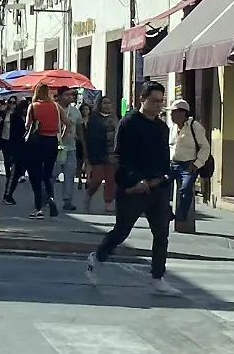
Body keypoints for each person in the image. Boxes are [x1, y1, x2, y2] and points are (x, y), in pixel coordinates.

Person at [86, 81, 178, 296]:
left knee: (161, 233)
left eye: (161, 102)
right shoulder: (128, 124)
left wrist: (165, 180)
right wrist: (134, 181)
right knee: (122, 230)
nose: (158, 106)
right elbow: (120, 158)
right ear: (142, 100)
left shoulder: (162, 127)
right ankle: (98, 256)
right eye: (154, 101)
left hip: (157, 187)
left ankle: (157, 277)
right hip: (132, 187)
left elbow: (165, 158)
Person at [168, 99, 211, 232]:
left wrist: (197, 164)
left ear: (183, 113)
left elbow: (205, 147)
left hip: (189, 165)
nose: (171, 116)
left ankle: (181, 218)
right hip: (173, 163)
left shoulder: (195, 126)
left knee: (185, 190)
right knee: (160, 187)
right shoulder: (173, 127)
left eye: (174, 113)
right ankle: (167, 213)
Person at [26, 83, 64, 219]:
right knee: (47, 175)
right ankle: (51, 199)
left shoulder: (33, 106)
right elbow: (68, 123)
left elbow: (28, 125)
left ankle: (39, 207)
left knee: (36, 175)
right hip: (52, 141)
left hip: (37, 142)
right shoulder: (56, 106)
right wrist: (60, 135)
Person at [84, 96, 119, 214]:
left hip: (112, 153)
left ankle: (108, 202)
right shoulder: (94, 119)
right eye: (105, 103)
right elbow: (91, 137)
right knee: (97, 179)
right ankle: (89, 193)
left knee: (111, 179)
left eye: (109, 103)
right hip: (99, 153)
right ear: (100, 105)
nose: (108, 106)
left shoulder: (114, 118)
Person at [54, 87, 82, 211]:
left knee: (69, 175)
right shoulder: (53, 109)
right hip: (54, 147)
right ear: (59, 96)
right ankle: (46, 198)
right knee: (51, 175)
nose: (70, 97)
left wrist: (83, 144)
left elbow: (80, 129)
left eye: (71, 95)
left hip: (71, 147)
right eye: (66, 95)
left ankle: (67, 200)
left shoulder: (75, 111)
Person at [2, 98, 29, 206]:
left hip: (22, 149)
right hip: (15, 149)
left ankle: (9, 194)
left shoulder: (25, 119)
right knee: (14, 174)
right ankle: (7, 195)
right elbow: (12, 133)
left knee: (16, 173)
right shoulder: (16, 118)